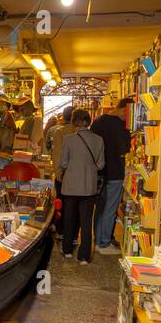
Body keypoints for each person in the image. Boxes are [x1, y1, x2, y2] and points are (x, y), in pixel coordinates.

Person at [57, 108, 104, 264]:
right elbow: (101, 164)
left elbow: (63, 163)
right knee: (86, 221)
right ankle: (84, 256)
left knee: (69, 218)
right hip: (89, 186)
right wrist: (89, 168)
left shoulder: (69, 139)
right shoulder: (99, 139)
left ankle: (67, 250)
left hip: (70, 185)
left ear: (74, 121)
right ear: (88, 120)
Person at [91, 97, 132, 254]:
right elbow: (124, 149)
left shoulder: (98, 121)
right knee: (110, 208)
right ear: (124, 110)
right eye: (129, 114)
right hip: (115, 171)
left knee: (100, 208)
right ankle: (104, 243)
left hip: (99, 172)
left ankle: (98, 240)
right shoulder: (121, 126)